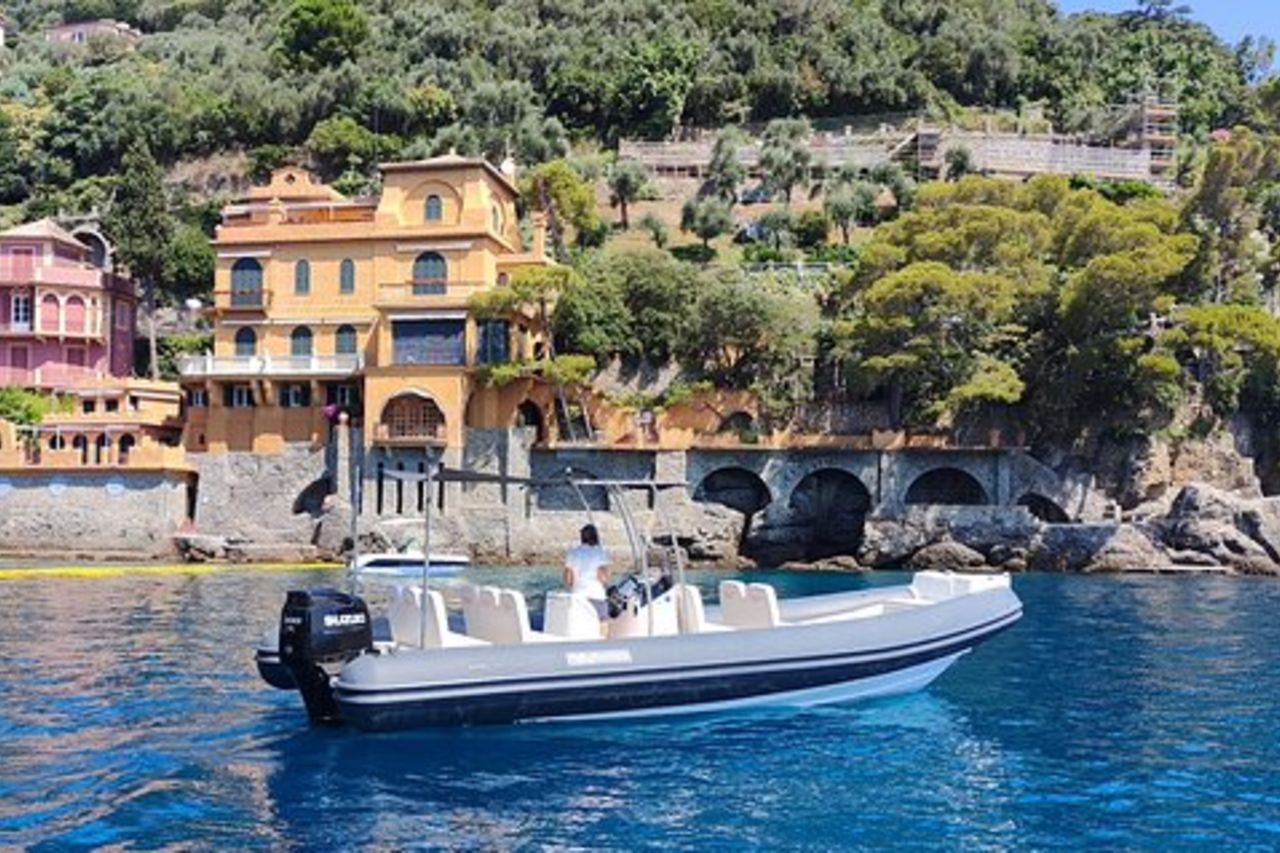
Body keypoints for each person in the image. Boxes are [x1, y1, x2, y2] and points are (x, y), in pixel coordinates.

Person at [564, 524, 609, 619]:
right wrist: (605, 586)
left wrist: (571, 588)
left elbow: (568, 578)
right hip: (596, 595)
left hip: (577, 596)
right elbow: (602, 576)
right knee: (603, 622)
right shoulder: (600, 552)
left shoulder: (573, 553)